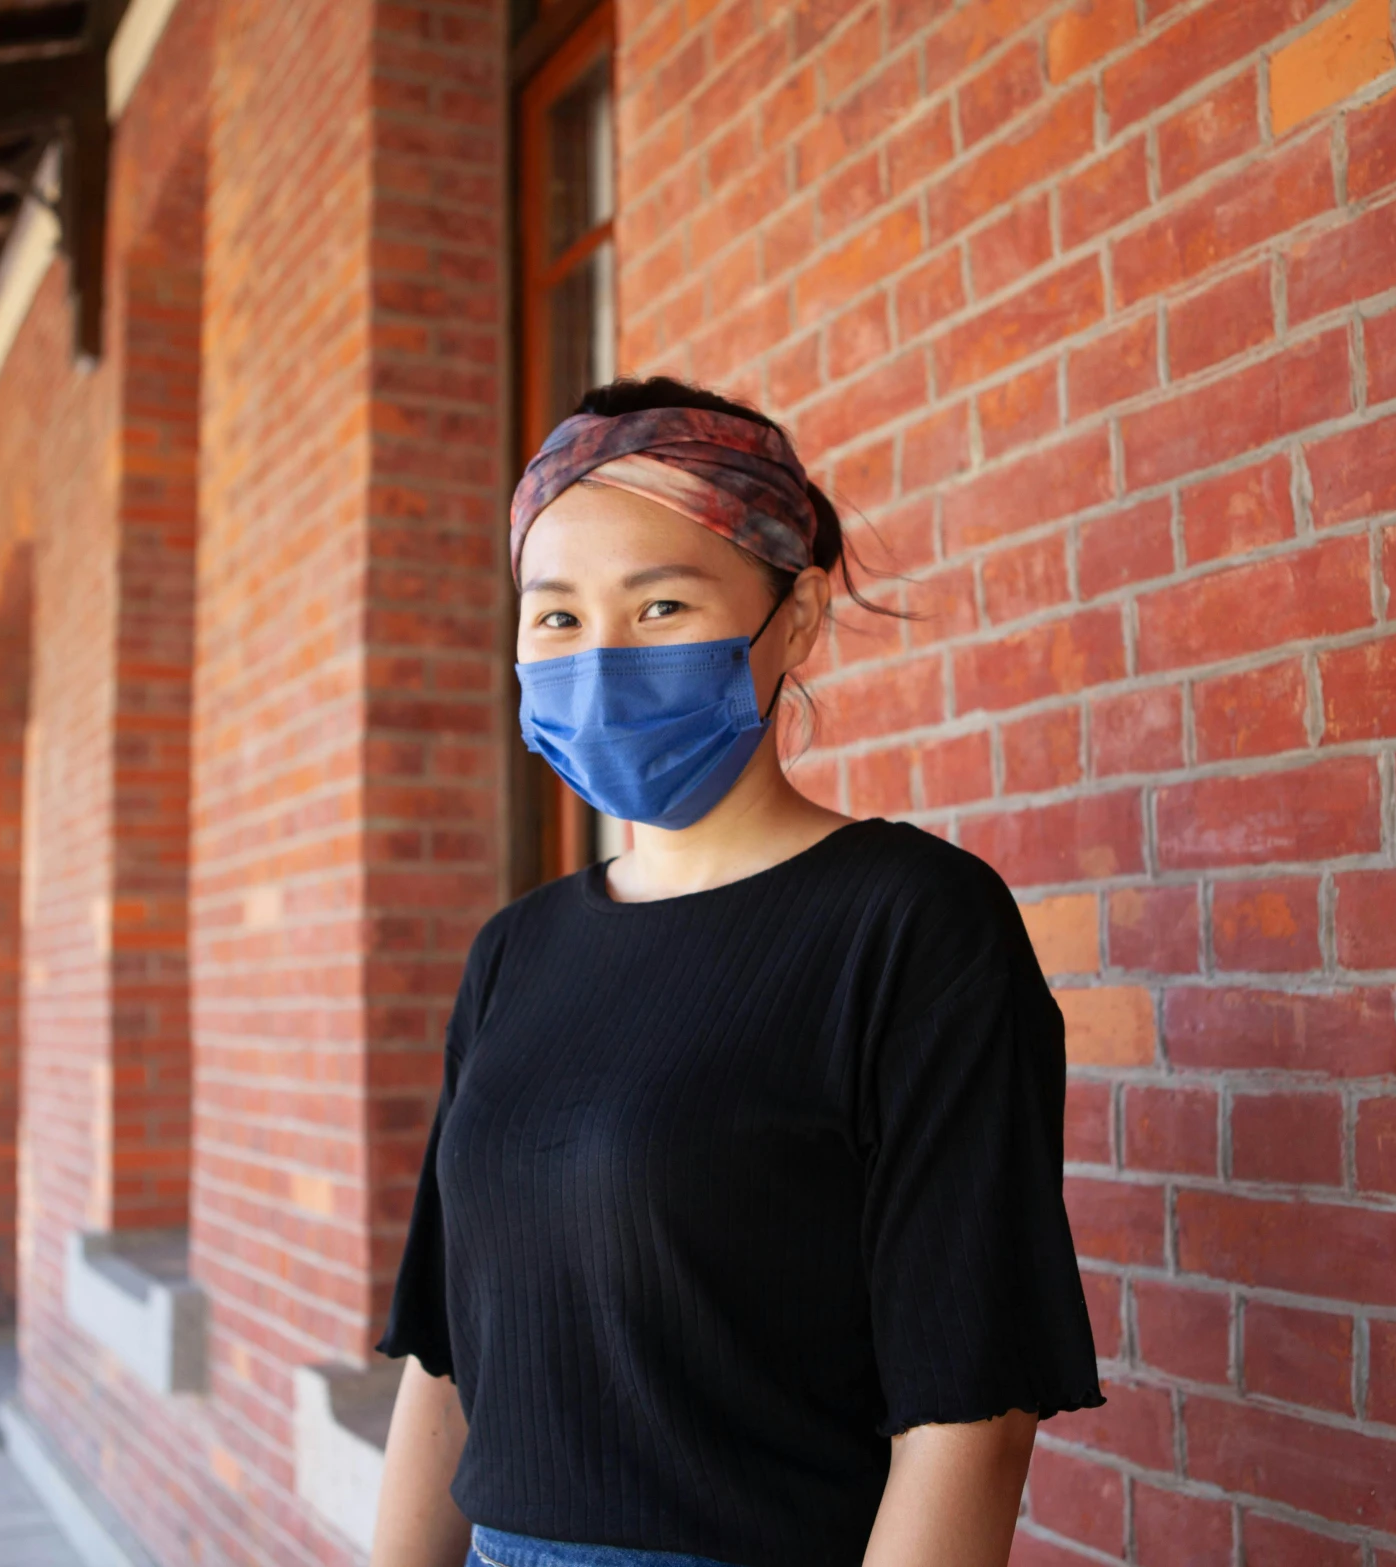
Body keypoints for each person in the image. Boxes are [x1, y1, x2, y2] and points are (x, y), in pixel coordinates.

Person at [370, 377, 1102, 1567]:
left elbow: (970, 1416)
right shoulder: (515, 951)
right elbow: (446, 1359)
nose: (599, 661)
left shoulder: (912, 925)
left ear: (796, 619)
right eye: (555, 617)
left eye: (659, 604)